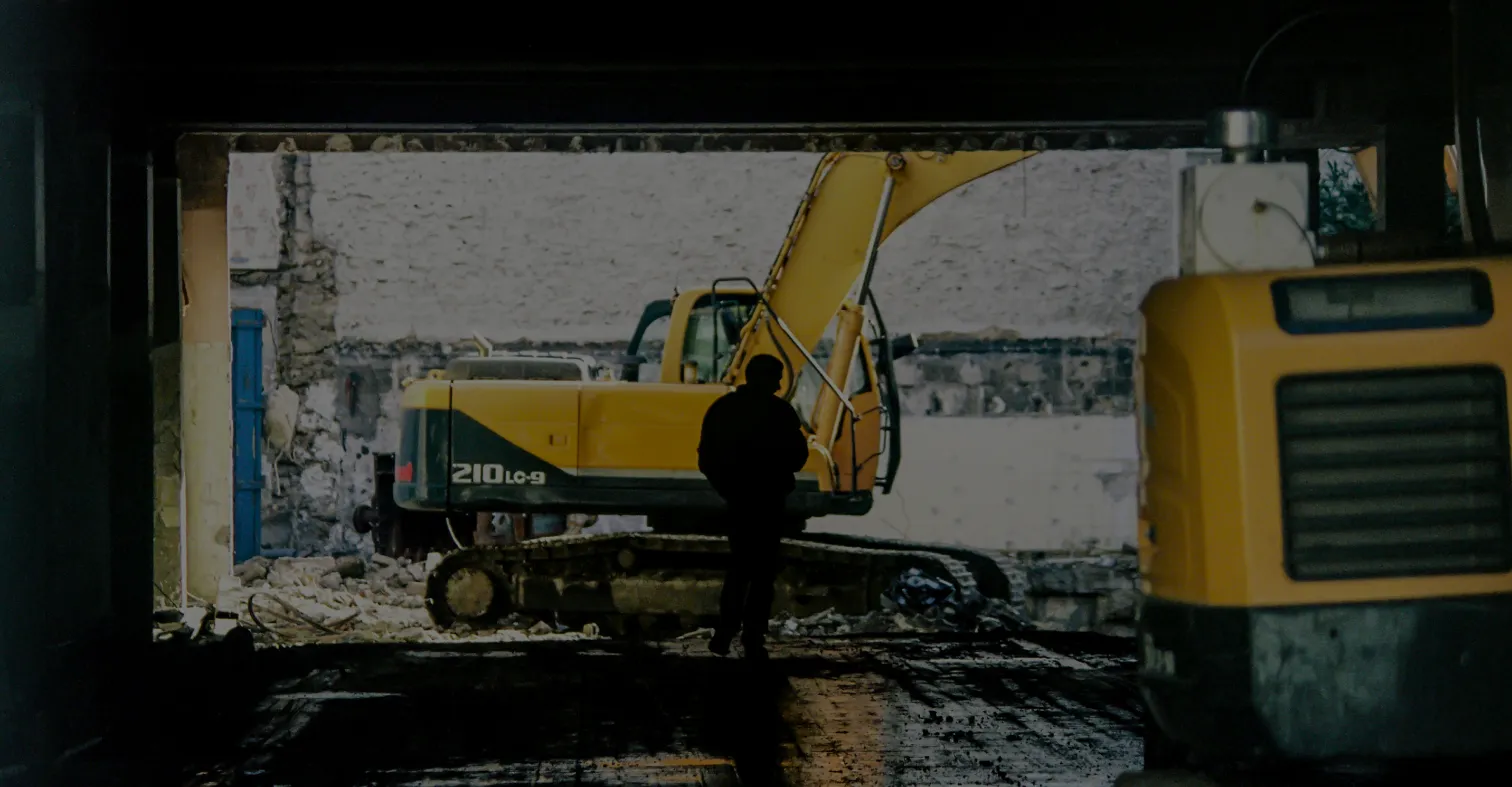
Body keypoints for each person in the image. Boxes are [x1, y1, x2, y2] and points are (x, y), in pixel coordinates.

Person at [697, 353, 810, 658]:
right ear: (772, 380)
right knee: (762, 574)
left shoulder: (723, 409)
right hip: (770, 502)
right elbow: (799, 457)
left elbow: (706, 457)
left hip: (739, 502)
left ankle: (724, 634)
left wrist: (730, 489)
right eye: (776, 378)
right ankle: (753, 638)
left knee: (739, 569)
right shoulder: (782, 413)